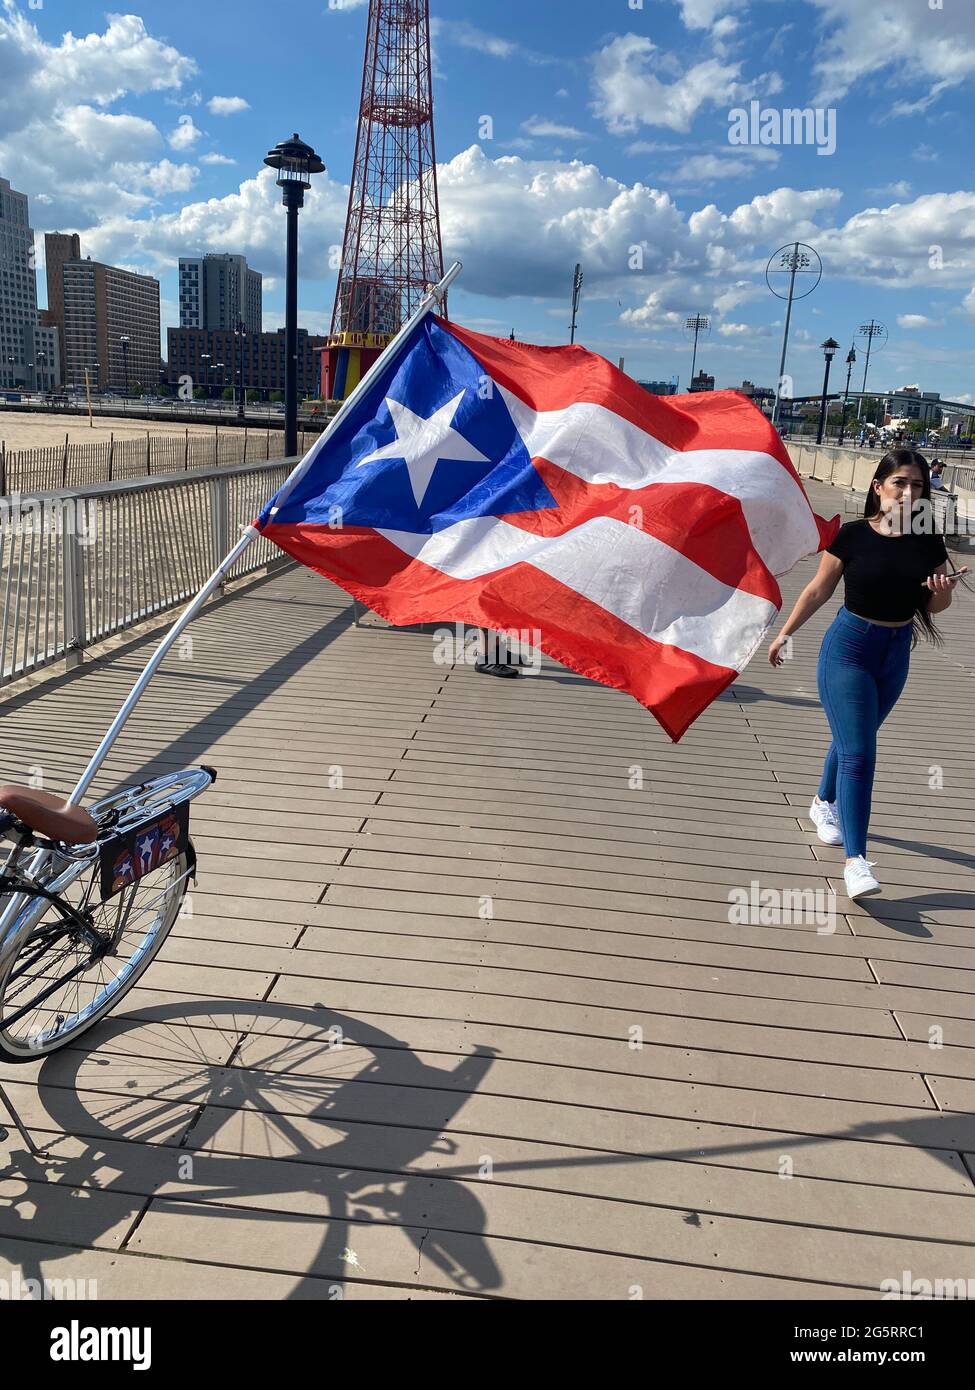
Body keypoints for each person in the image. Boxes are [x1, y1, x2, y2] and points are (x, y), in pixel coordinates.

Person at [767, 448, 968, 899]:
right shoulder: (853, 536)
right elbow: (819, 589)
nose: (909, 491)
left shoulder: (927, 542)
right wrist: (784, 635)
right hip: (849, 650)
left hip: (895, 655)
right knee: (861, 753)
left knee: (852, 739)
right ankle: (856, 862)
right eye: (900, 482)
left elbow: (935, 606)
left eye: (918, 485)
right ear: (879, 487)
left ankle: (824, 802)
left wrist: (942, 591)